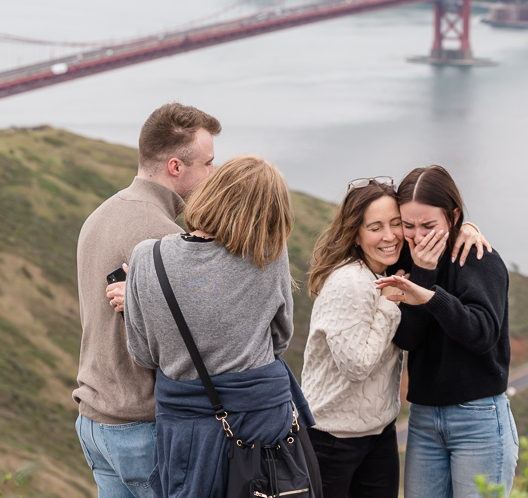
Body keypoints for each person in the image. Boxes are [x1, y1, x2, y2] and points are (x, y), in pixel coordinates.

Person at [124, 156, 317, 498]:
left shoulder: (146, 257)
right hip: (261, 423)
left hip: (184, 429)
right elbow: (279, 338)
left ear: (212, 193)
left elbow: (142, 354)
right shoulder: (268, 255)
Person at [301, 177, 489, 498]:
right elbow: (357, 367)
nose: (390, 236)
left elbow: (432, 232)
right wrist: (391, 305)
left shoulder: (389, 268)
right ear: (356, 235)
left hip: (378, 433)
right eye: (375, 228)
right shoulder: (350, 282)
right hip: (332, 439)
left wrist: (465, 228)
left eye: (396, 223)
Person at [73, 103, 220, 498]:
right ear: (176, 166)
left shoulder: (100, 214)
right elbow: (192, 337)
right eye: (207, 164)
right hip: (140, 426)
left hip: (94, 420)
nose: (213, 174)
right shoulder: (159, 233)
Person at [376, 165, 518, 498]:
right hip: (423, 419)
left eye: (429, 225)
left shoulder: (478, 258)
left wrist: (429, 296)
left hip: (479, 419)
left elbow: (482, 334)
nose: (418, 236)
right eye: (407, 225)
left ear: (453, 217)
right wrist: (422, 274)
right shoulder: (406, 264)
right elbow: (408, 338)